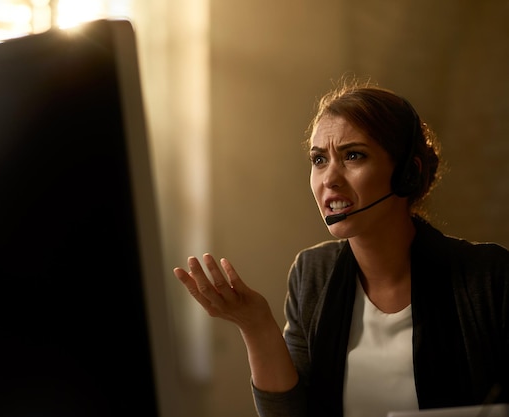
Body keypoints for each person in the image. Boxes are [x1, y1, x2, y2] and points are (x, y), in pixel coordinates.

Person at [173, 78, 509, 417]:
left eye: (353, 156)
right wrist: (256, 324)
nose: (329, 179)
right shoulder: (312, 273)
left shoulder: (490, 277)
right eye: (319, 160)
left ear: (408, 173)